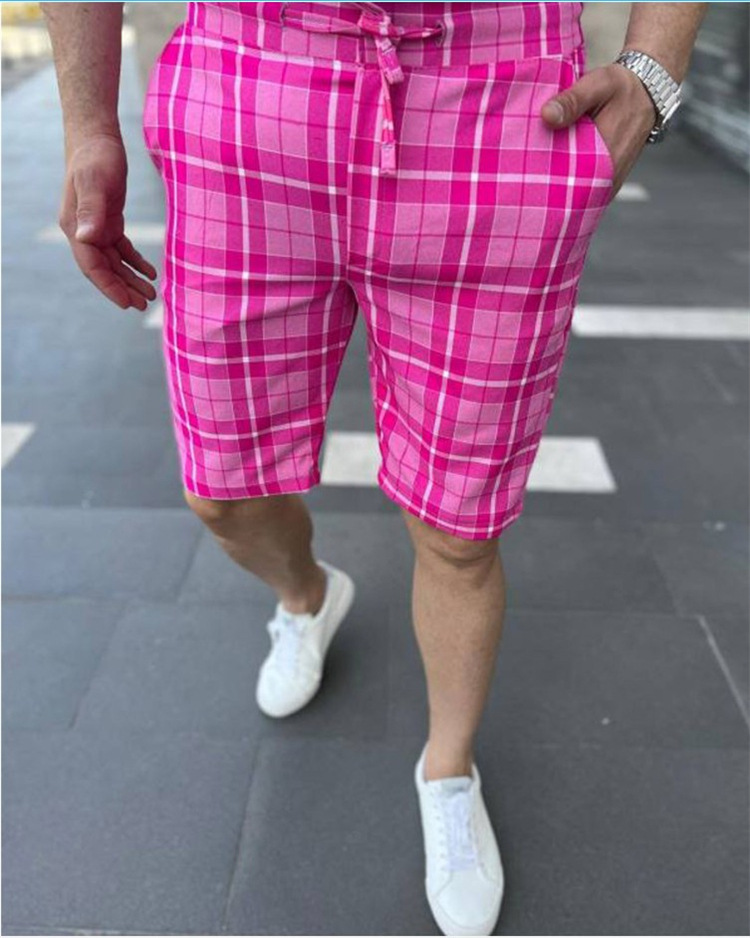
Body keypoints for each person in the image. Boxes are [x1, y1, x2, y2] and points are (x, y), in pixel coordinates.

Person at [42, 2, 707, 934]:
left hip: (498, 106)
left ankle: (449, 769)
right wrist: (88, 123)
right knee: (223, 489)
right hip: (249, 91)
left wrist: (654, 69)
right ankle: (309, 597)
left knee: (460, 525)